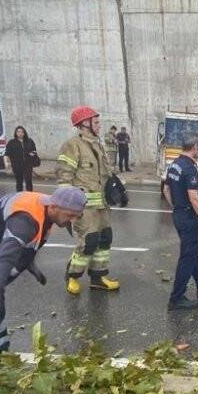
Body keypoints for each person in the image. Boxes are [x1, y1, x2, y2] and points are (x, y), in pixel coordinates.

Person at [0, 186, 86, 353]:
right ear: (54, 207)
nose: (72, 221)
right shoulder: (25, 222)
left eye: (77, 217)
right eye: (70, 216)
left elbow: (27, 242)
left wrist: (28, 261)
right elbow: (2, 262)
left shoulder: (45, 206)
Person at [56, 106, 120, 294]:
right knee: (89, 241)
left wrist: (116, 186)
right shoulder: (72, 145)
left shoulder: (98, 144)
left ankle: (98, 278)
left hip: (102, 204)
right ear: (85, 123)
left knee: (104, 240)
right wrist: (68, 209)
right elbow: (64, 178)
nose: (99, 125)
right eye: (96, 122)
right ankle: (73, 276)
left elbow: (105, 173)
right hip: (84, 208)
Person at [163, 133, 198, 309]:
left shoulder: (174, 164)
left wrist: (176, 207)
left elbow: (165, 189)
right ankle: (176, 298)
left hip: (179, 214)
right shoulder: (189, 168)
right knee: (187, 256)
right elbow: (194, 197)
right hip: (187, 217)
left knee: (193, 251)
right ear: (194, 147)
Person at [5, 126, 38, 191]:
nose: (20, 133)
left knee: (29, 181)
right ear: (16, 133)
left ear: (24, 133)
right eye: (18, 132)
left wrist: (31, 154)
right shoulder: (12, 142)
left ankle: (30, 196)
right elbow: (6, 154)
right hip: (17, 165)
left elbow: (34, 151)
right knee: (19, 182)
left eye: (22, 132)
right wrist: (6, 163)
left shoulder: (29, 141)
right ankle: (19, 196)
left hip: (28, 165)